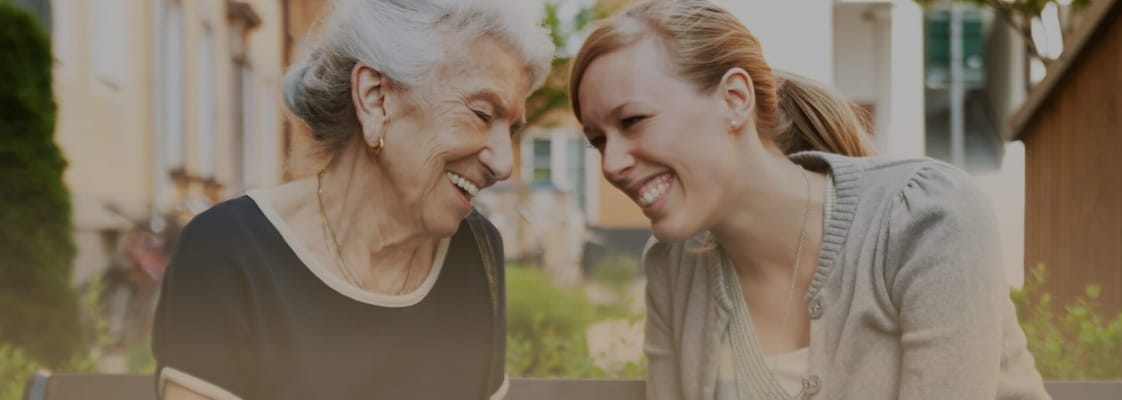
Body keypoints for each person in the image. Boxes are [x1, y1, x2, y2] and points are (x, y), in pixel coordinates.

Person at [569, 0, 1050, 399]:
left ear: (734, 99)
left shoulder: (927, 220)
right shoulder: (673, 266)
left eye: (632, 121)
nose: (611, 164)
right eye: (598, 141)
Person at [150, 1, 553, 399]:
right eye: (482, 114)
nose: (504, 164)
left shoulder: (477, 253)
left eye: (511, 130)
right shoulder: (228, 253)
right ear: (376, 98)